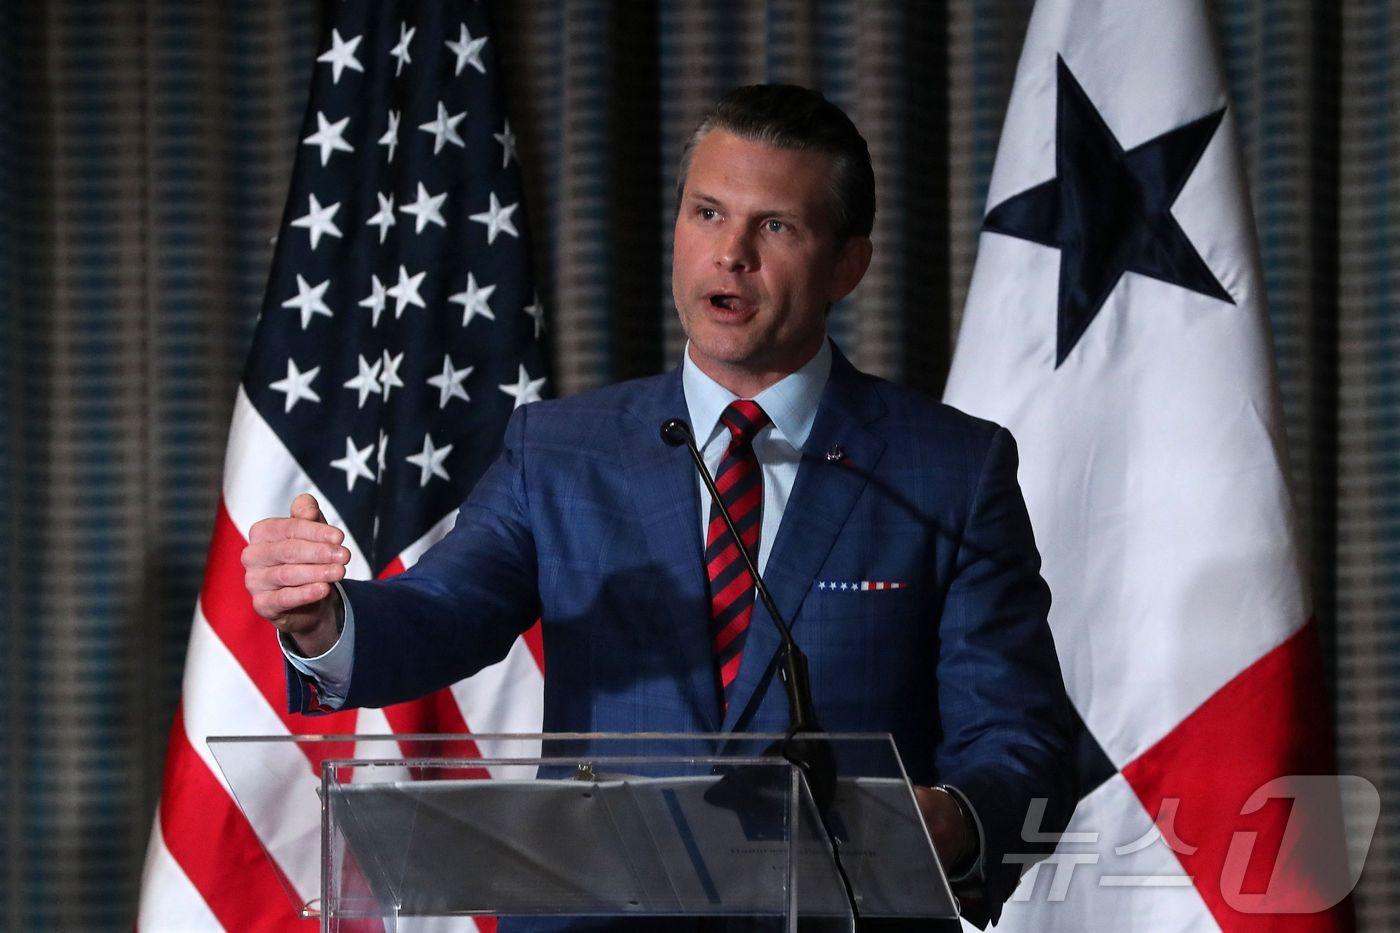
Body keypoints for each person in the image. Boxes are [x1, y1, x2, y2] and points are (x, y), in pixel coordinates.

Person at [242, 84, 1075, 928]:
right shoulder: (559, 451)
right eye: (708, 214)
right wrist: (324, 622)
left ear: (847, 265)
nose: (732, 254)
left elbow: (1021, 739)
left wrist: (950, 823)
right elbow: (443, 610)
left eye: (776, 226)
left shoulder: (947, 469)